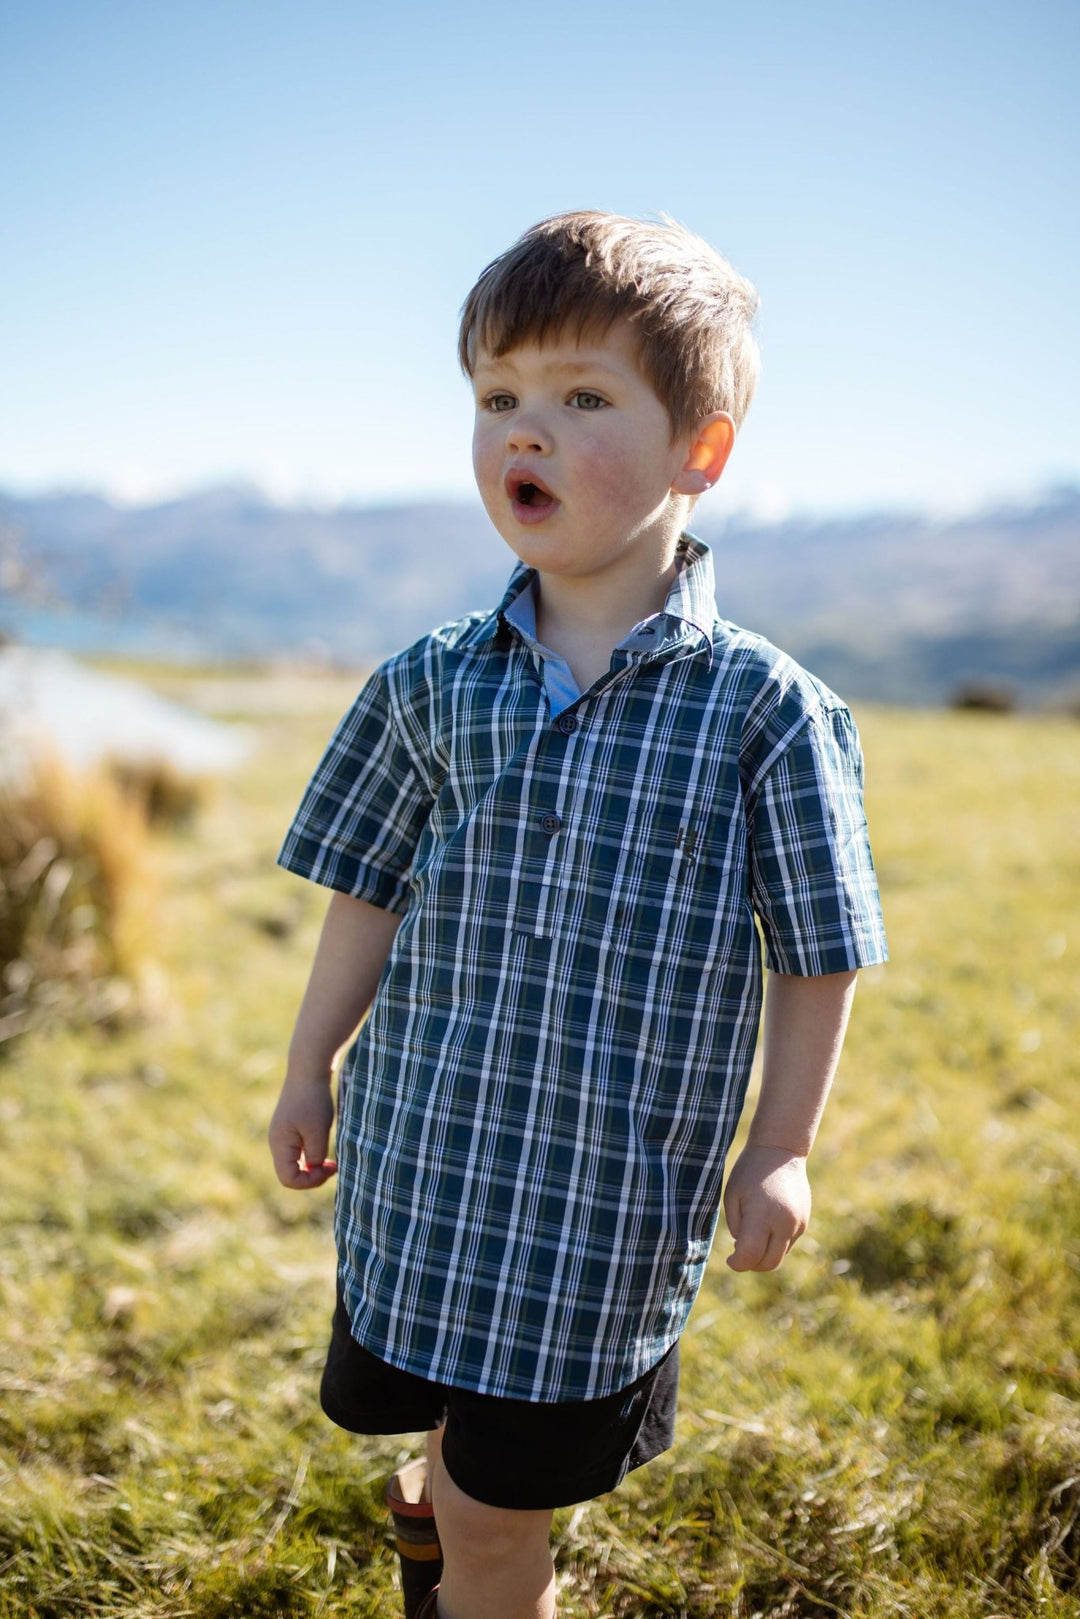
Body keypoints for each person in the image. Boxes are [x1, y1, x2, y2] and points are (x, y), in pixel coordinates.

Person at [268, 211, 888, 1619]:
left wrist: (780, 1150)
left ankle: (468, 1564)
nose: (524, 435)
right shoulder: (431, 682)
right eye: (499, 399)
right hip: (420, 1170)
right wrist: (309, 1063)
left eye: (583, 399)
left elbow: (819, 954)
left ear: (701, 450)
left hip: (596, 1212)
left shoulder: (767, 714)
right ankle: (438, 1536)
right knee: (439, 1440)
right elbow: (365, 887)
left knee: (500, 1518)